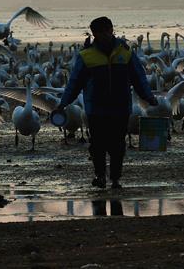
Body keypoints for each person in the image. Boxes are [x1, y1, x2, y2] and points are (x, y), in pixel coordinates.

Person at [56, 16, 157, 189]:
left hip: (120, 108)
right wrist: (62, 104)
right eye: (99, 33)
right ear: (94, 34)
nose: (103, 35)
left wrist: (149, 97)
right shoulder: (86, 56)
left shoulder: (125, 54)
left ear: (112, 30)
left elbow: (138, 78)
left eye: (106, 31)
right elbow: (74, 83)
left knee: (117, 144)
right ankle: (100, 176)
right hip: (96, 109)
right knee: (97, 144)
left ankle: (116, 178)